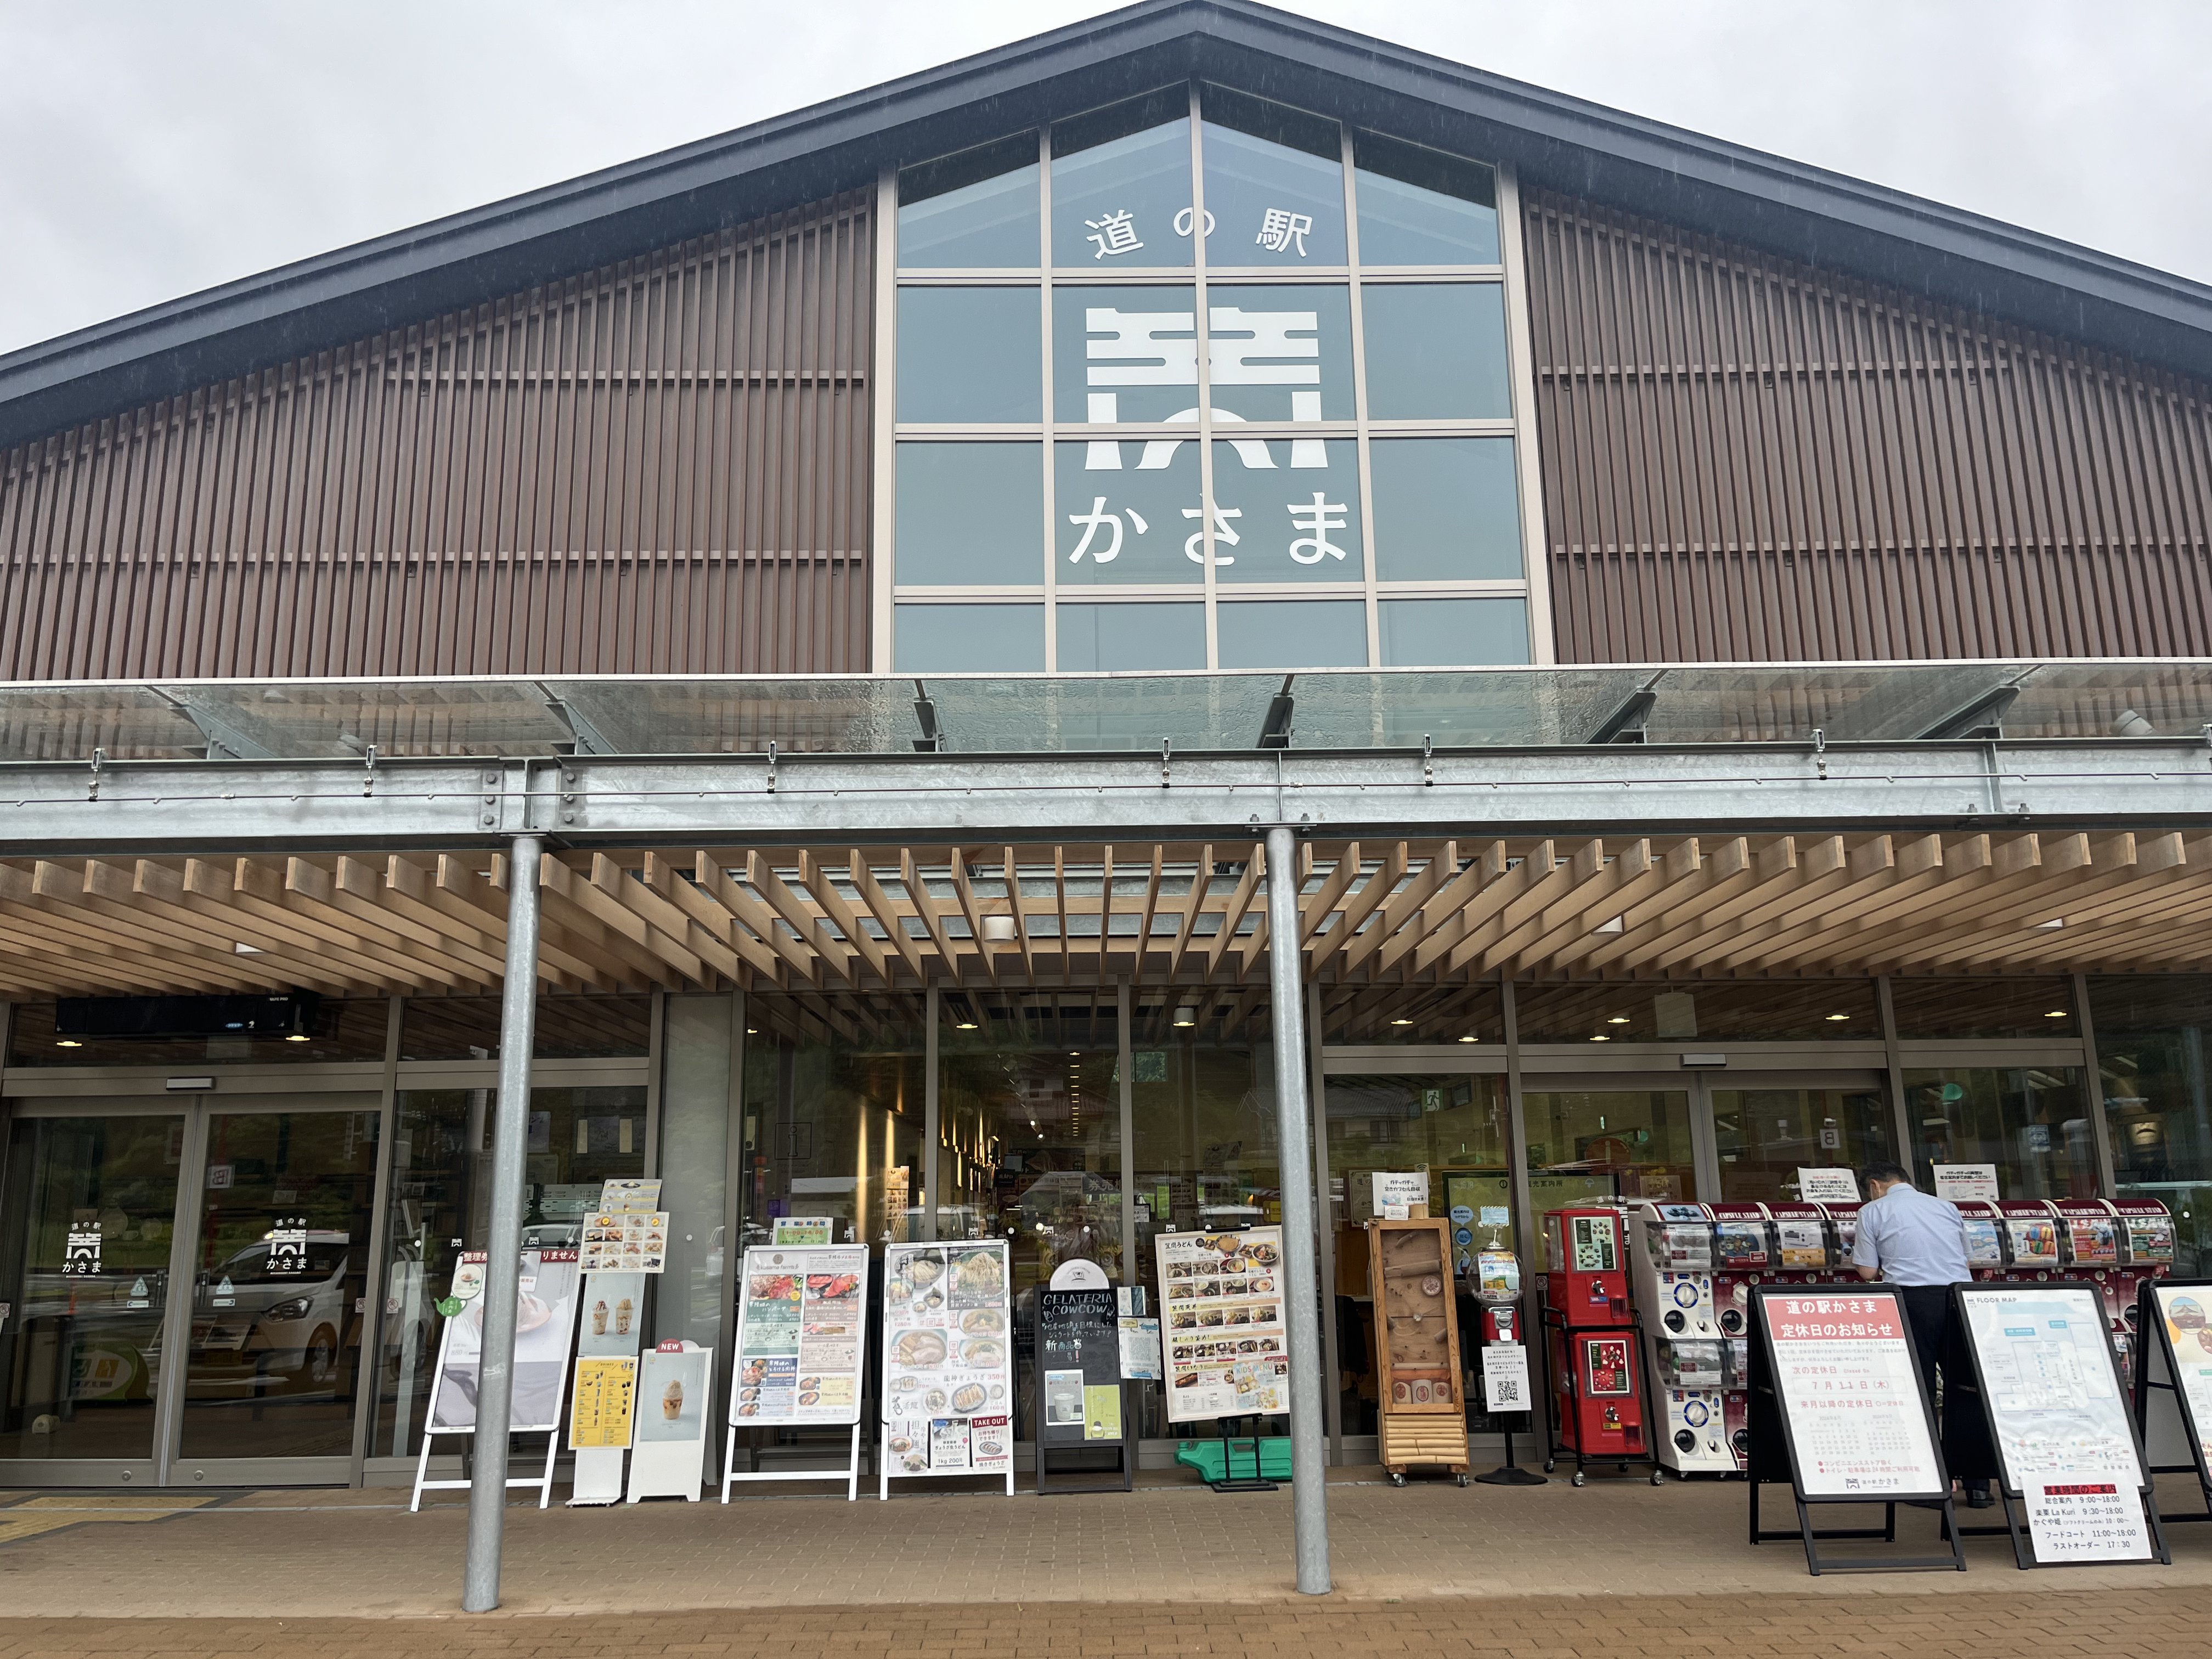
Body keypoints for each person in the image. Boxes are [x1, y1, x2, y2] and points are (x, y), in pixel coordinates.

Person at [1852, 1160, 1993, 1508]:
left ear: (1874, 1185)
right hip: (1959, 1297)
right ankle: (1978, 1486)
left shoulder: (1873, 1211)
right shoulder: (1945, 1207)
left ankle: (1932, 1484)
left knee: (1921, 1389)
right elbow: (1967, 1257)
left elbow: (1868, 1272)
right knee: (1967, 1387)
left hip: (1913, 1302)